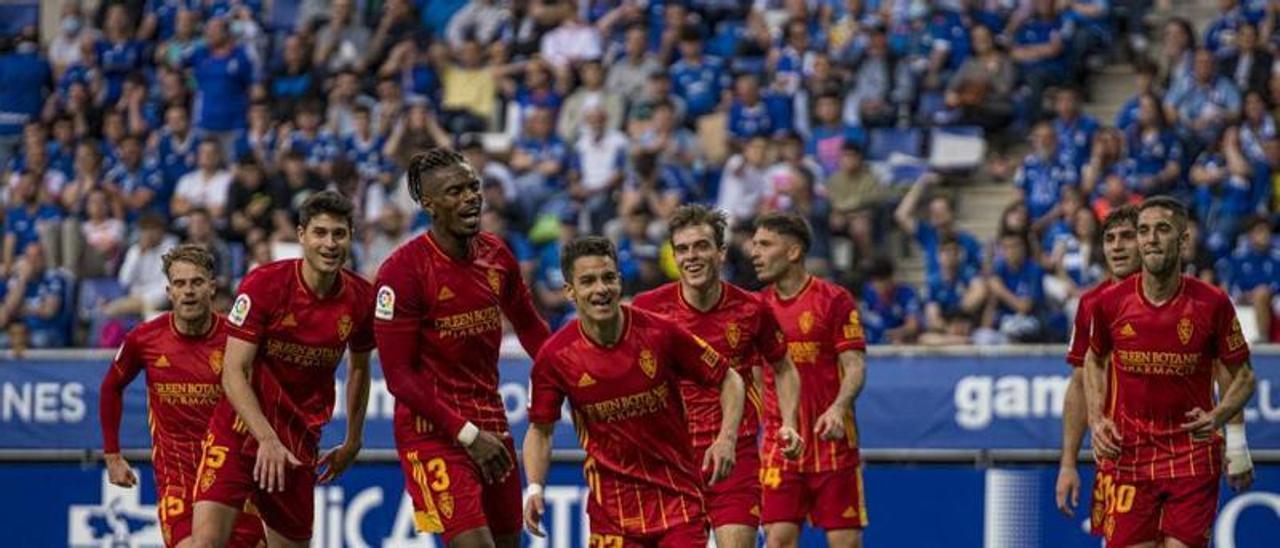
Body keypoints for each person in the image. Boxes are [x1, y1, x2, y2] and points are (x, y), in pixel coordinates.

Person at [373, 148, 550, 547]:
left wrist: (574, 375)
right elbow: (399, 378)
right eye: (455, 191)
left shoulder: (497, 254)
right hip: (433, 432)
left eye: (473, 187)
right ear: (428, 205)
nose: (471, 197)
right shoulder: (402, 273)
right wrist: (467, 434)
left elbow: (530, 327)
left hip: (492, 422)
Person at [523, 236, 746, 546]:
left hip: (679, 504)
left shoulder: (660, 333)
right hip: (611, 514)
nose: (600, 289)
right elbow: (540, 430)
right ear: (570, 291)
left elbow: (730, 379)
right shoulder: (554, 356)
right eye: (588, 281)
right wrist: (534, 487)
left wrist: (727, 439)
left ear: (619, 281)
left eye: (608, 278)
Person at [188, 191, 374, 547]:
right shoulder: (265, 285)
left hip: (297, 444)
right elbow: (233, 371)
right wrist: (265, 439)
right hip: (238, 433)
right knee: (206, 543)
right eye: (320, 233)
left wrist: (353, 439)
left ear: (351, 236)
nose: (330, 243)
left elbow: (360, 370)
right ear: (301, 235)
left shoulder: (361, 298)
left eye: (339, 233)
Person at [1084, 197, 1257, 548]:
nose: (1150, 239)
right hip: (1130, 455)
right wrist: (1096, 419)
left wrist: (1221, 420)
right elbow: (1094, 359)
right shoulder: (1109, 303)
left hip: (1191, 457)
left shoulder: (1213, 303)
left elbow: (1244, 376)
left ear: (1183, 240)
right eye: (1143, 231)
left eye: (1162, 230)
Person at [631, 205, 802, 548]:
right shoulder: (648, 309)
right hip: (671, 461)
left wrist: (789, 422)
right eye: (682, 249)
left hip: (734, 454)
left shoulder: (752, 309)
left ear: (721, 253)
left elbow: (784, 367)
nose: (691, 256)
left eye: (701, 246)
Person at [98, 244, 265, 547]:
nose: (189, 291)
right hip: (178, 481)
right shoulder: (144, 339)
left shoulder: (237, 339)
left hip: (233, 476)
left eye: (197, 282)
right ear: (169, 291)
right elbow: (111, 387)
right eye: (180, 283)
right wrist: (112, 455)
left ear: (212, 288)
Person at [750, 212, 869, 548]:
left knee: (845, 543)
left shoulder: (835, 300)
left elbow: (856, 365)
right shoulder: (756, 308)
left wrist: (838, 407)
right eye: (754, 244)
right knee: (778, 541)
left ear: (793, 251)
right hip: (780, 446)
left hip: (833, 447)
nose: (754, 252)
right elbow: (755, 379)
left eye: (764, 244)